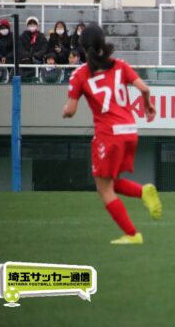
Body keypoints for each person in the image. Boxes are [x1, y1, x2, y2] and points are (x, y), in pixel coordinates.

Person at [62, 23, 162, 244]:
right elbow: (144, 88)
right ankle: (143, 192)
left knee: (103, 188)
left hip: (108, 134)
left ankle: (132, 234)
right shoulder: (119, 65)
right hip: (130, 131)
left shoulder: (80, 74)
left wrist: (64, 111)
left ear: (82, 47)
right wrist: (147, 104)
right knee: (110, 181)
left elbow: (70, 110)